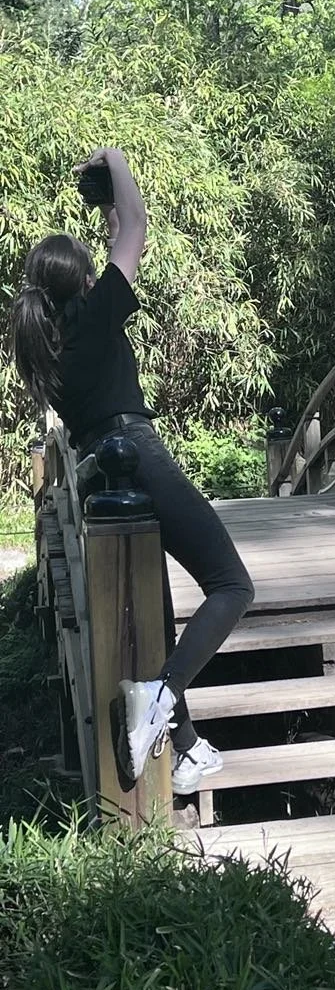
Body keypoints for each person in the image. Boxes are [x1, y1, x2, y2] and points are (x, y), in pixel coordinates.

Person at [12, 147, 254, 796]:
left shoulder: (51, 342)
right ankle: (161, 694)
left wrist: (108, 203)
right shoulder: (94, 319)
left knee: (159, 611)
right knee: (232, 586)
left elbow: (121, 229)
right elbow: (137, 229)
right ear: (86, 283)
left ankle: (188, 747)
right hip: (137, 453)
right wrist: (116, 157)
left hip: (103, 468)